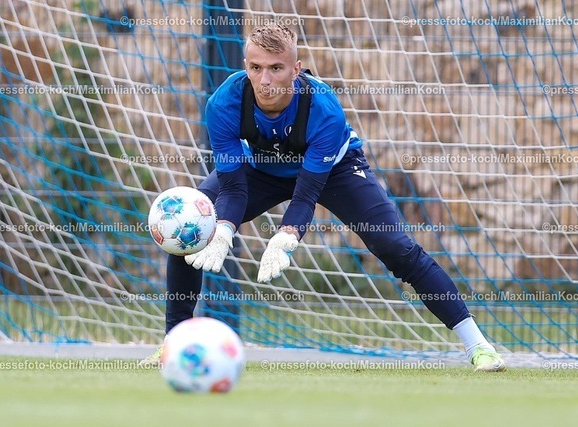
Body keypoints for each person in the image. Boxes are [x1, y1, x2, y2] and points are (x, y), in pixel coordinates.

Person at [140, 23, 505, 372]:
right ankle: (175, 344)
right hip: (261, 168)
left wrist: (286, 237)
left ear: (296, 69)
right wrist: (220, 231)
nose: (265, 80)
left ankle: (478, 345)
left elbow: (306, 194)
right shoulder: (224, 103)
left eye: (276, 68)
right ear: (245, 66)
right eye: (256, 68)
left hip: (335, 170)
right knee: (190, 222)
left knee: (395, 246)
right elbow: (233, 188)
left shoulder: (323, 107)